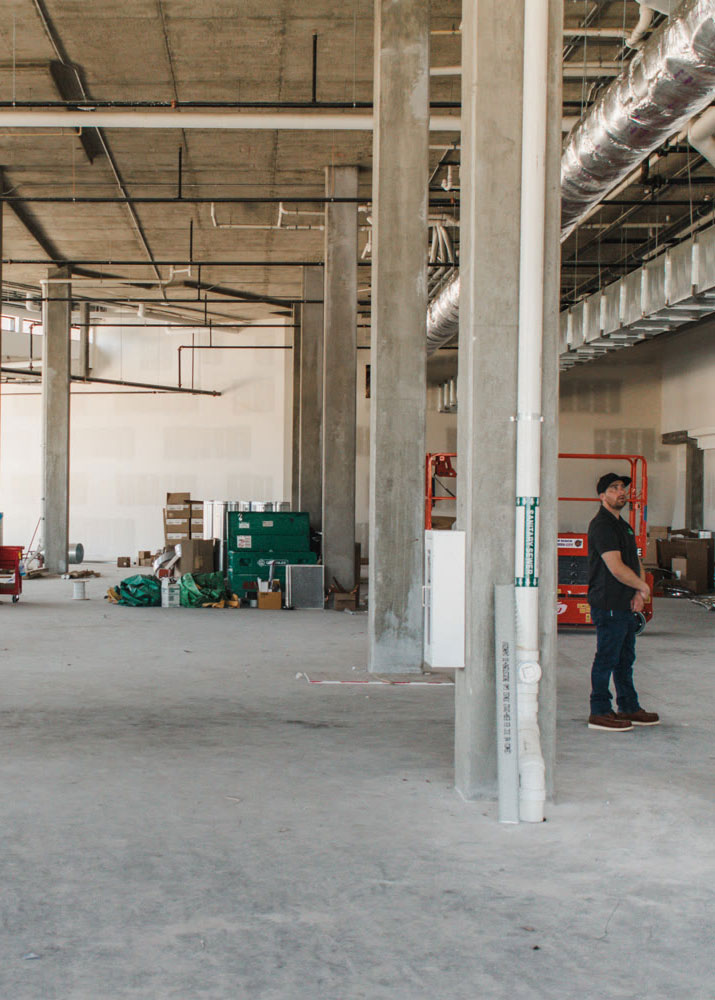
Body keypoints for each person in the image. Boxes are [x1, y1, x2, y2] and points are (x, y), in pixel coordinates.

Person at [587, 472, 660, 732]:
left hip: (625, 602)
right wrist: (642, 587)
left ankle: (628, 706)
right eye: (614, 488)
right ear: (602, 495)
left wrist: (640, 593)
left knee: (625, 658)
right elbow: (616, 567)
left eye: (623, 488)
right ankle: (600, 711)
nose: (621, 492)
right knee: (607, 657)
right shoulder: (602, 526)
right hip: (608, 602)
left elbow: (634, 561)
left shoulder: (623, 525)